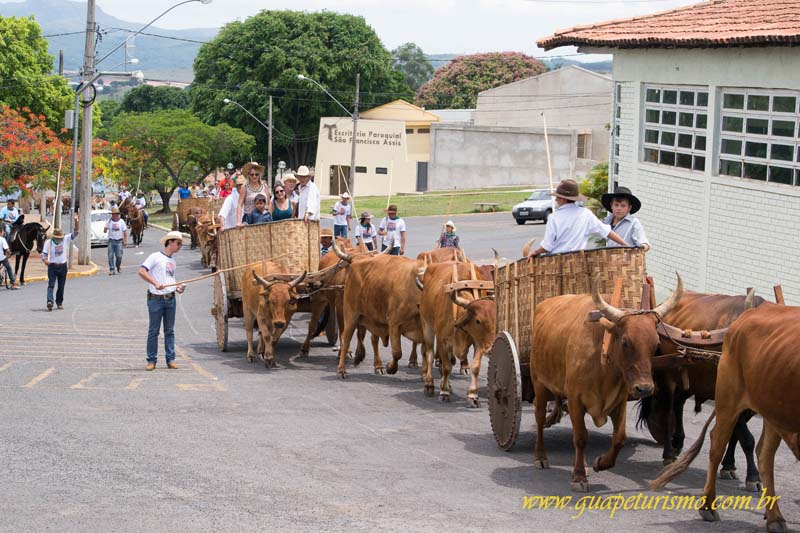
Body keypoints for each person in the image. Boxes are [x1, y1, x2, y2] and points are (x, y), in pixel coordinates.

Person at [527, 179, 628, 257]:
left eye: (557, 197)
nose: (556, 199)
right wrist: (626, 245)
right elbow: (607, 232)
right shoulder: (585, 214)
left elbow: (547, 246)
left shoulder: (554, 218)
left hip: (557, 263)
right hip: (579, 263)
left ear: (563, 198)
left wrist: (535, 252)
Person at [138, 231, 186, 371]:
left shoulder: (172, 261)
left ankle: (170, 359)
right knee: (154, 331)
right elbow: (142, 271)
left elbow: (169, 279)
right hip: (156, 300)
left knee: (169, 331)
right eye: (178, 243)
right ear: (170, 242)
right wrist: (155, 283)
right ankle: (151, 360)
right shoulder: (155, 257)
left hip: (170, 298)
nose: (180, 246)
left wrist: (178, 287)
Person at [41, 215, 79, 311]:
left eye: (60, 237)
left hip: (62, 266)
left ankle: (59, 302)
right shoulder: (48, 242)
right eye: (57, 238)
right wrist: (46, 261)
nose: (59, 239)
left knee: (61, 285)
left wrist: (76, 222)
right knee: (51, 284)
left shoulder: (65, 239)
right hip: (52, 266)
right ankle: (50, 301)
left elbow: (76, 233)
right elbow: (44, 254)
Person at [601, 186, 650, 252]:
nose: (619, 208)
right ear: (611, 205)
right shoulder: (606, 221)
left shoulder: (633, 223)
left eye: (623, 206)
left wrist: (643, 246)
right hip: (609, 260)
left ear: (629, 208)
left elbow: (643, 242)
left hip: (626, 261)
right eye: (616, 205)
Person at [237, 162, 270, 226]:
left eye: (256, 174)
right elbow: (239, 205)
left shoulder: (264, 186)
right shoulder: (244, 187)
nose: (254, 176)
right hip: (250, 220)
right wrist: (238, 221)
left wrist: (269, 216)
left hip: (264, 218)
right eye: (252, 174)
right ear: (248, 175)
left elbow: (269, 203)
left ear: (259, 175)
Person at [104, 206, 128, 275]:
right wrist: (105, 228)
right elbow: (105, 231)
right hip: (111, 241)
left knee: (119, 256)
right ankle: (111, 269)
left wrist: (125, 240)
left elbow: (125, 232)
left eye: (116, 214)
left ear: (118, 214)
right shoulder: (109, 221)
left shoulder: (121, 221)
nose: (115, 215)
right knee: (110, 255)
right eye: (113, 214)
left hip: (119, 241)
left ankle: (118, 266)